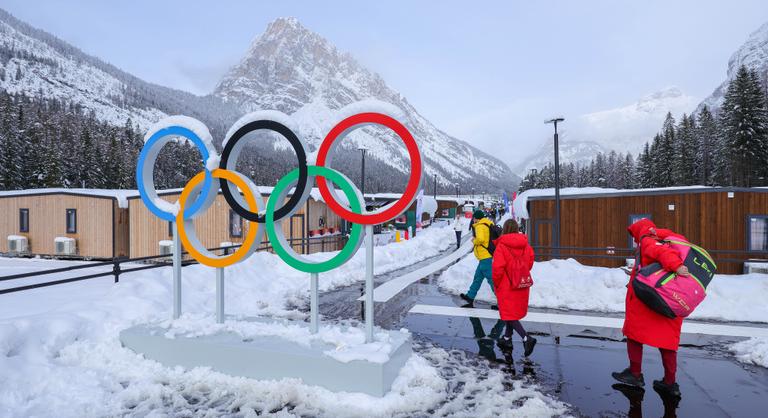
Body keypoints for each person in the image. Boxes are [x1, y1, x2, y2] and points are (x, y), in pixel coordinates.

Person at [612, 218, 687, 399]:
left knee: (635, 335)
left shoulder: (647, 239)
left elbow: (659, 252)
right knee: (667, 343)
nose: (634, 238)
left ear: (639, 231)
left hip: (647, 302)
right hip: (668, 300)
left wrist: (677, 266)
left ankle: (635, 374)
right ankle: (670, 383)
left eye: (633, 234)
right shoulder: (666, 237)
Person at [491, 219, 537, 356]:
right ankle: (507, 339)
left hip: (506, 284)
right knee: (511, 312)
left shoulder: (502, 246)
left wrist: (497, 282)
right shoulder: (525, 244)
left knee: (508, 313)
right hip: (521, 282)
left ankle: (526, 338)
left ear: (504, 229)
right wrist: (519, 273)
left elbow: (497, 268)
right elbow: (530, 262)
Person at [460, 210, 497, 308]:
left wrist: (474, 240)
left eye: (474, 218)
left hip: (485, 257)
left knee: (492, 280)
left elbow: (480, 239)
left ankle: (503, 302)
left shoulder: (480, 226)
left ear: (476, 218)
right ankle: (470, 297)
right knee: (478, 278)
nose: (473, 219)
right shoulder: (487, 224)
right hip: (484, 257)